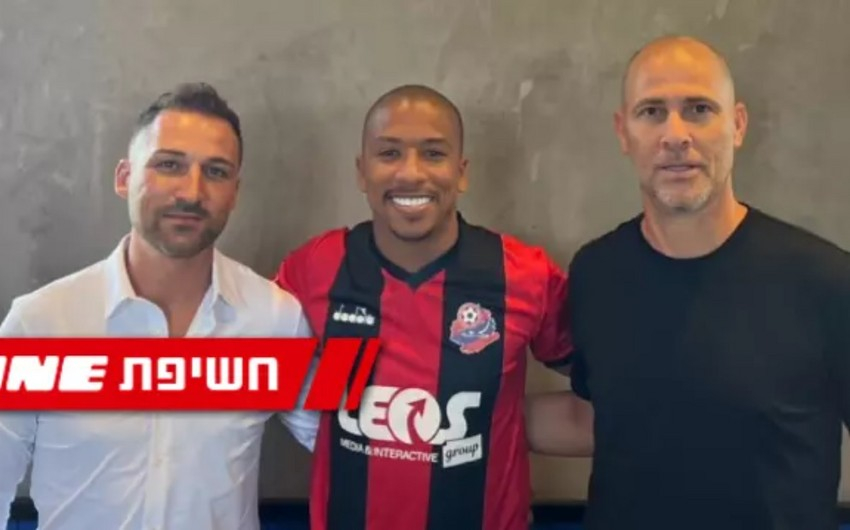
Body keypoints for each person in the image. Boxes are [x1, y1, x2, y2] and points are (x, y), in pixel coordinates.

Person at [551, 35, 850, 529]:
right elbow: (595, 418)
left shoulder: (824, 280)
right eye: (652, 112)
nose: (675, 135)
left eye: (699, 109)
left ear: (737, 125)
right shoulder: (595, 273)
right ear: (623, 132)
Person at [0, 83, 319, 530]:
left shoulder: (274, 318)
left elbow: (348, 446)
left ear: (235, 192)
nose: (192, 191)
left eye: (216, 171)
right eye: (169, 164)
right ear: (124, 177)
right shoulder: (41, 323)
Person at [274, 84, 593, 530]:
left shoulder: (523, 275)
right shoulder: (317, 267)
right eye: (389, 153)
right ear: (362, 172)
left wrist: (501, 420)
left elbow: (615, 388)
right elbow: (241, 365)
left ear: (461, 172)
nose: (411, 173)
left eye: (433, 154)